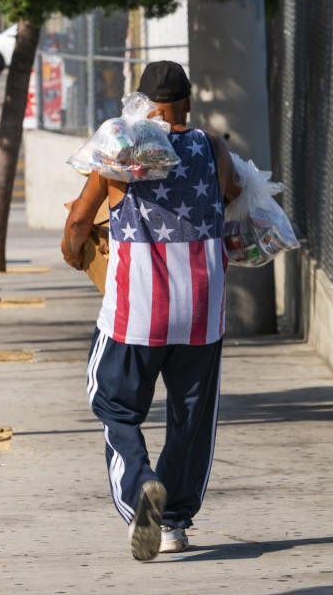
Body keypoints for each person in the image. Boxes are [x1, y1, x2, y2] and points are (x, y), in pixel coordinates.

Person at [61, 61, 240, 561]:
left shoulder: (124, 149)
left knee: (112, 404)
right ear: (188, 99)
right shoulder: (212, 147)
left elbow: (80, 216)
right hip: (202, 312)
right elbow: (231, 199)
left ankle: (142, 486)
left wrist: (74, 249)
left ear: (144, 103)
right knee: (191, 419)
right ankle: (175, 523)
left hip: (137, 311)